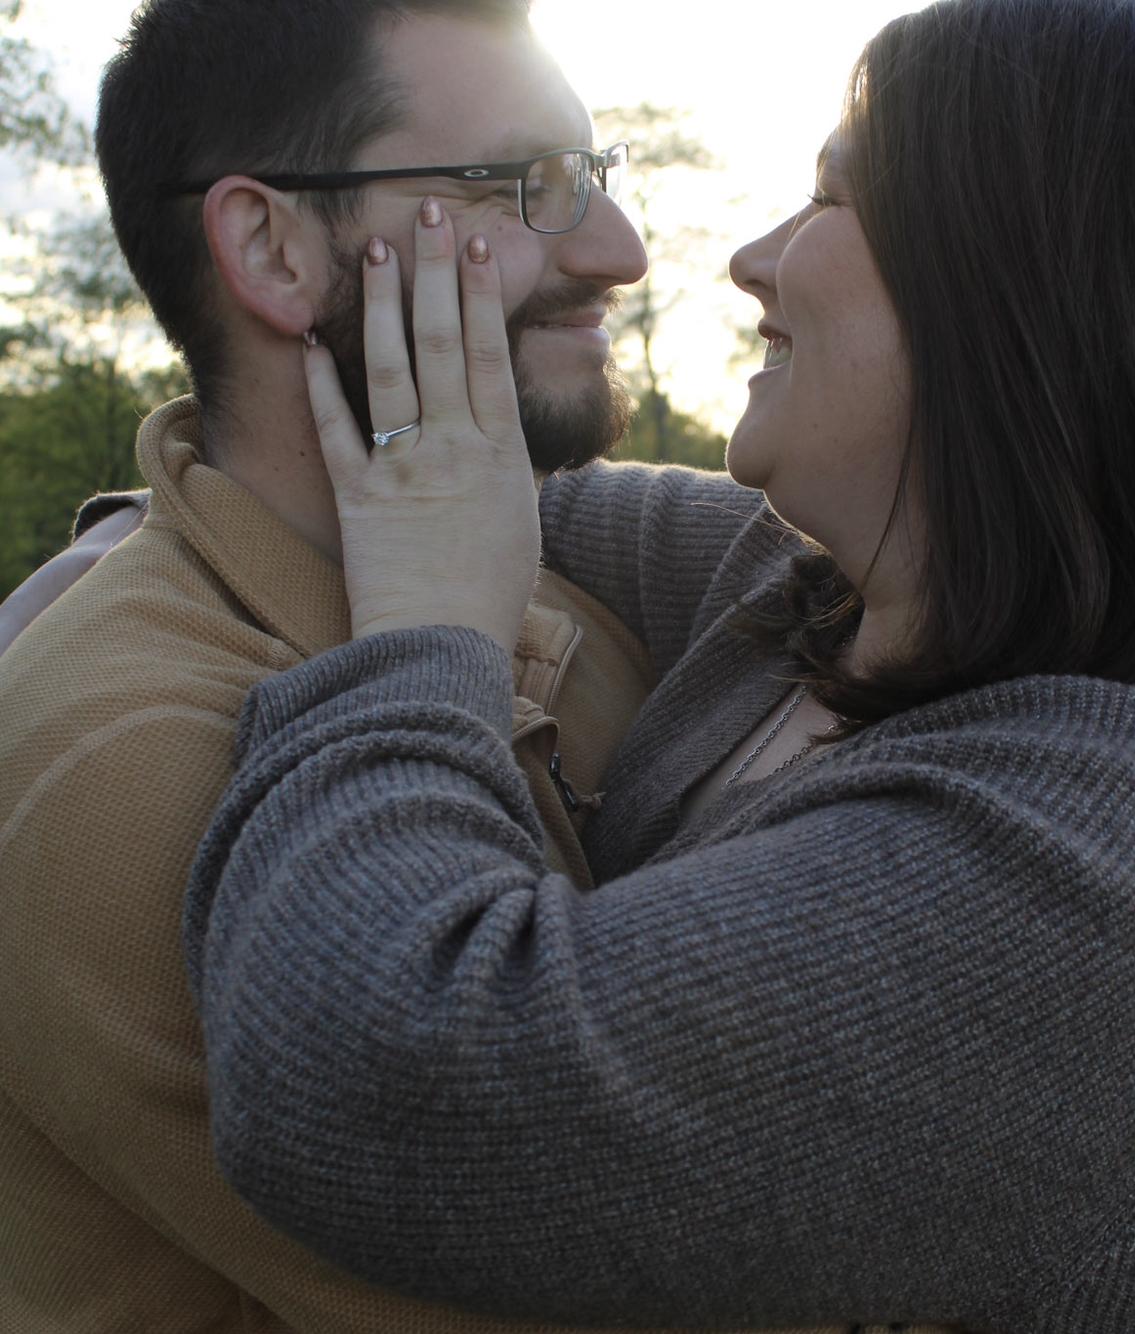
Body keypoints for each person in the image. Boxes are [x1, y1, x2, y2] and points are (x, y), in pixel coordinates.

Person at [180, 0, 1135, 1330]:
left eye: (830, 202)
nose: (747, 257)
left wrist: (425, 646)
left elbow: (367, 1086)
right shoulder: (809, 597)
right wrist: (116, 553)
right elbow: (443, 497)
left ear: (1037, 279)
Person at [0, 0, 699, 1329]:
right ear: (272, 245)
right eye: (520, 187)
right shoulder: (125, 769)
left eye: (591, 181)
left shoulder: (569, 603)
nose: (619, 250)